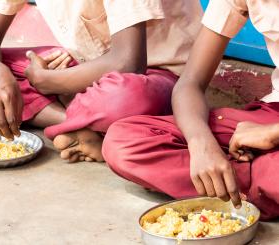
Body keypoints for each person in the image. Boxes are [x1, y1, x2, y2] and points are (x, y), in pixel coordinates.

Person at [0, 0, 202, 162]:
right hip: (79, 67)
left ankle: (78, 116)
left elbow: (128, 63)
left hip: (155, 76)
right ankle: (80, 126)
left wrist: (50, 82)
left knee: (125, 96)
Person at [103, 0, 279, 220]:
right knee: (124, 141)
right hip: (271, 112)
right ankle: (249, 180)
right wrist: (202, 145)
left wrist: (273, 133)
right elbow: (190, 83)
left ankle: (243, 182)